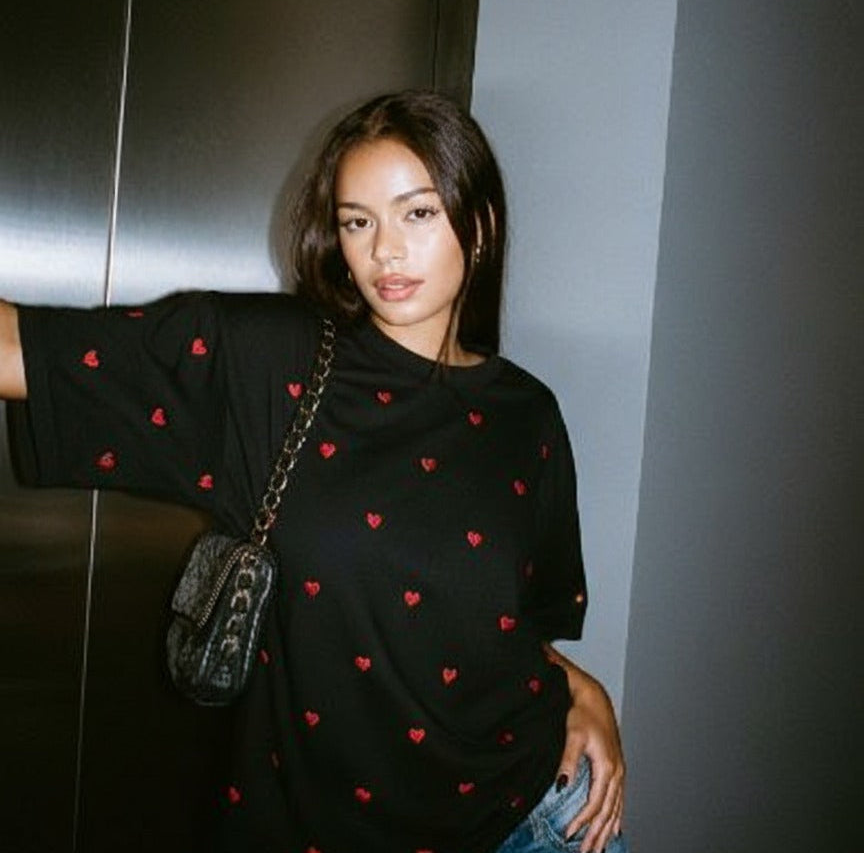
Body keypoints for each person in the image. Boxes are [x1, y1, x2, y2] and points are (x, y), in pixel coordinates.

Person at [0, 90, 627, 853]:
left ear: (481, 223)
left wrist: (576, 687)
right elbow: (23, 351)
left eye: (417, 213)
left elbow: (501, 624)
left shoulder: (530, 414)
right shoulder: (274, 362)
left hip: (535, 823)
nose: (383, 251)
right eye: (357, 221)